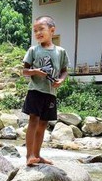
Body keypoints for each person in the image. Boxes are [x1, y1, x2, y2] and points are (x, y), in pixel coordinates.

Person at [22, 16, 69, 166]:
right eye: (35, 31)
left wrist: (61, 80)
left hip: (50, 93)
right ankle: (29, 155)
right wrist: (35, 71)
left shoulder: (60, 52)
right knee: (33, 120)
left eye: (41, 29)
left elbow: (64, 71)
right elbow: (24, 71)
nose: (38, 33)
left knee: (43, 124)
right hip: (35, 90)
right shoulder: (33, 50)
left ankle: (37, 155)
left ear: (52, 30)